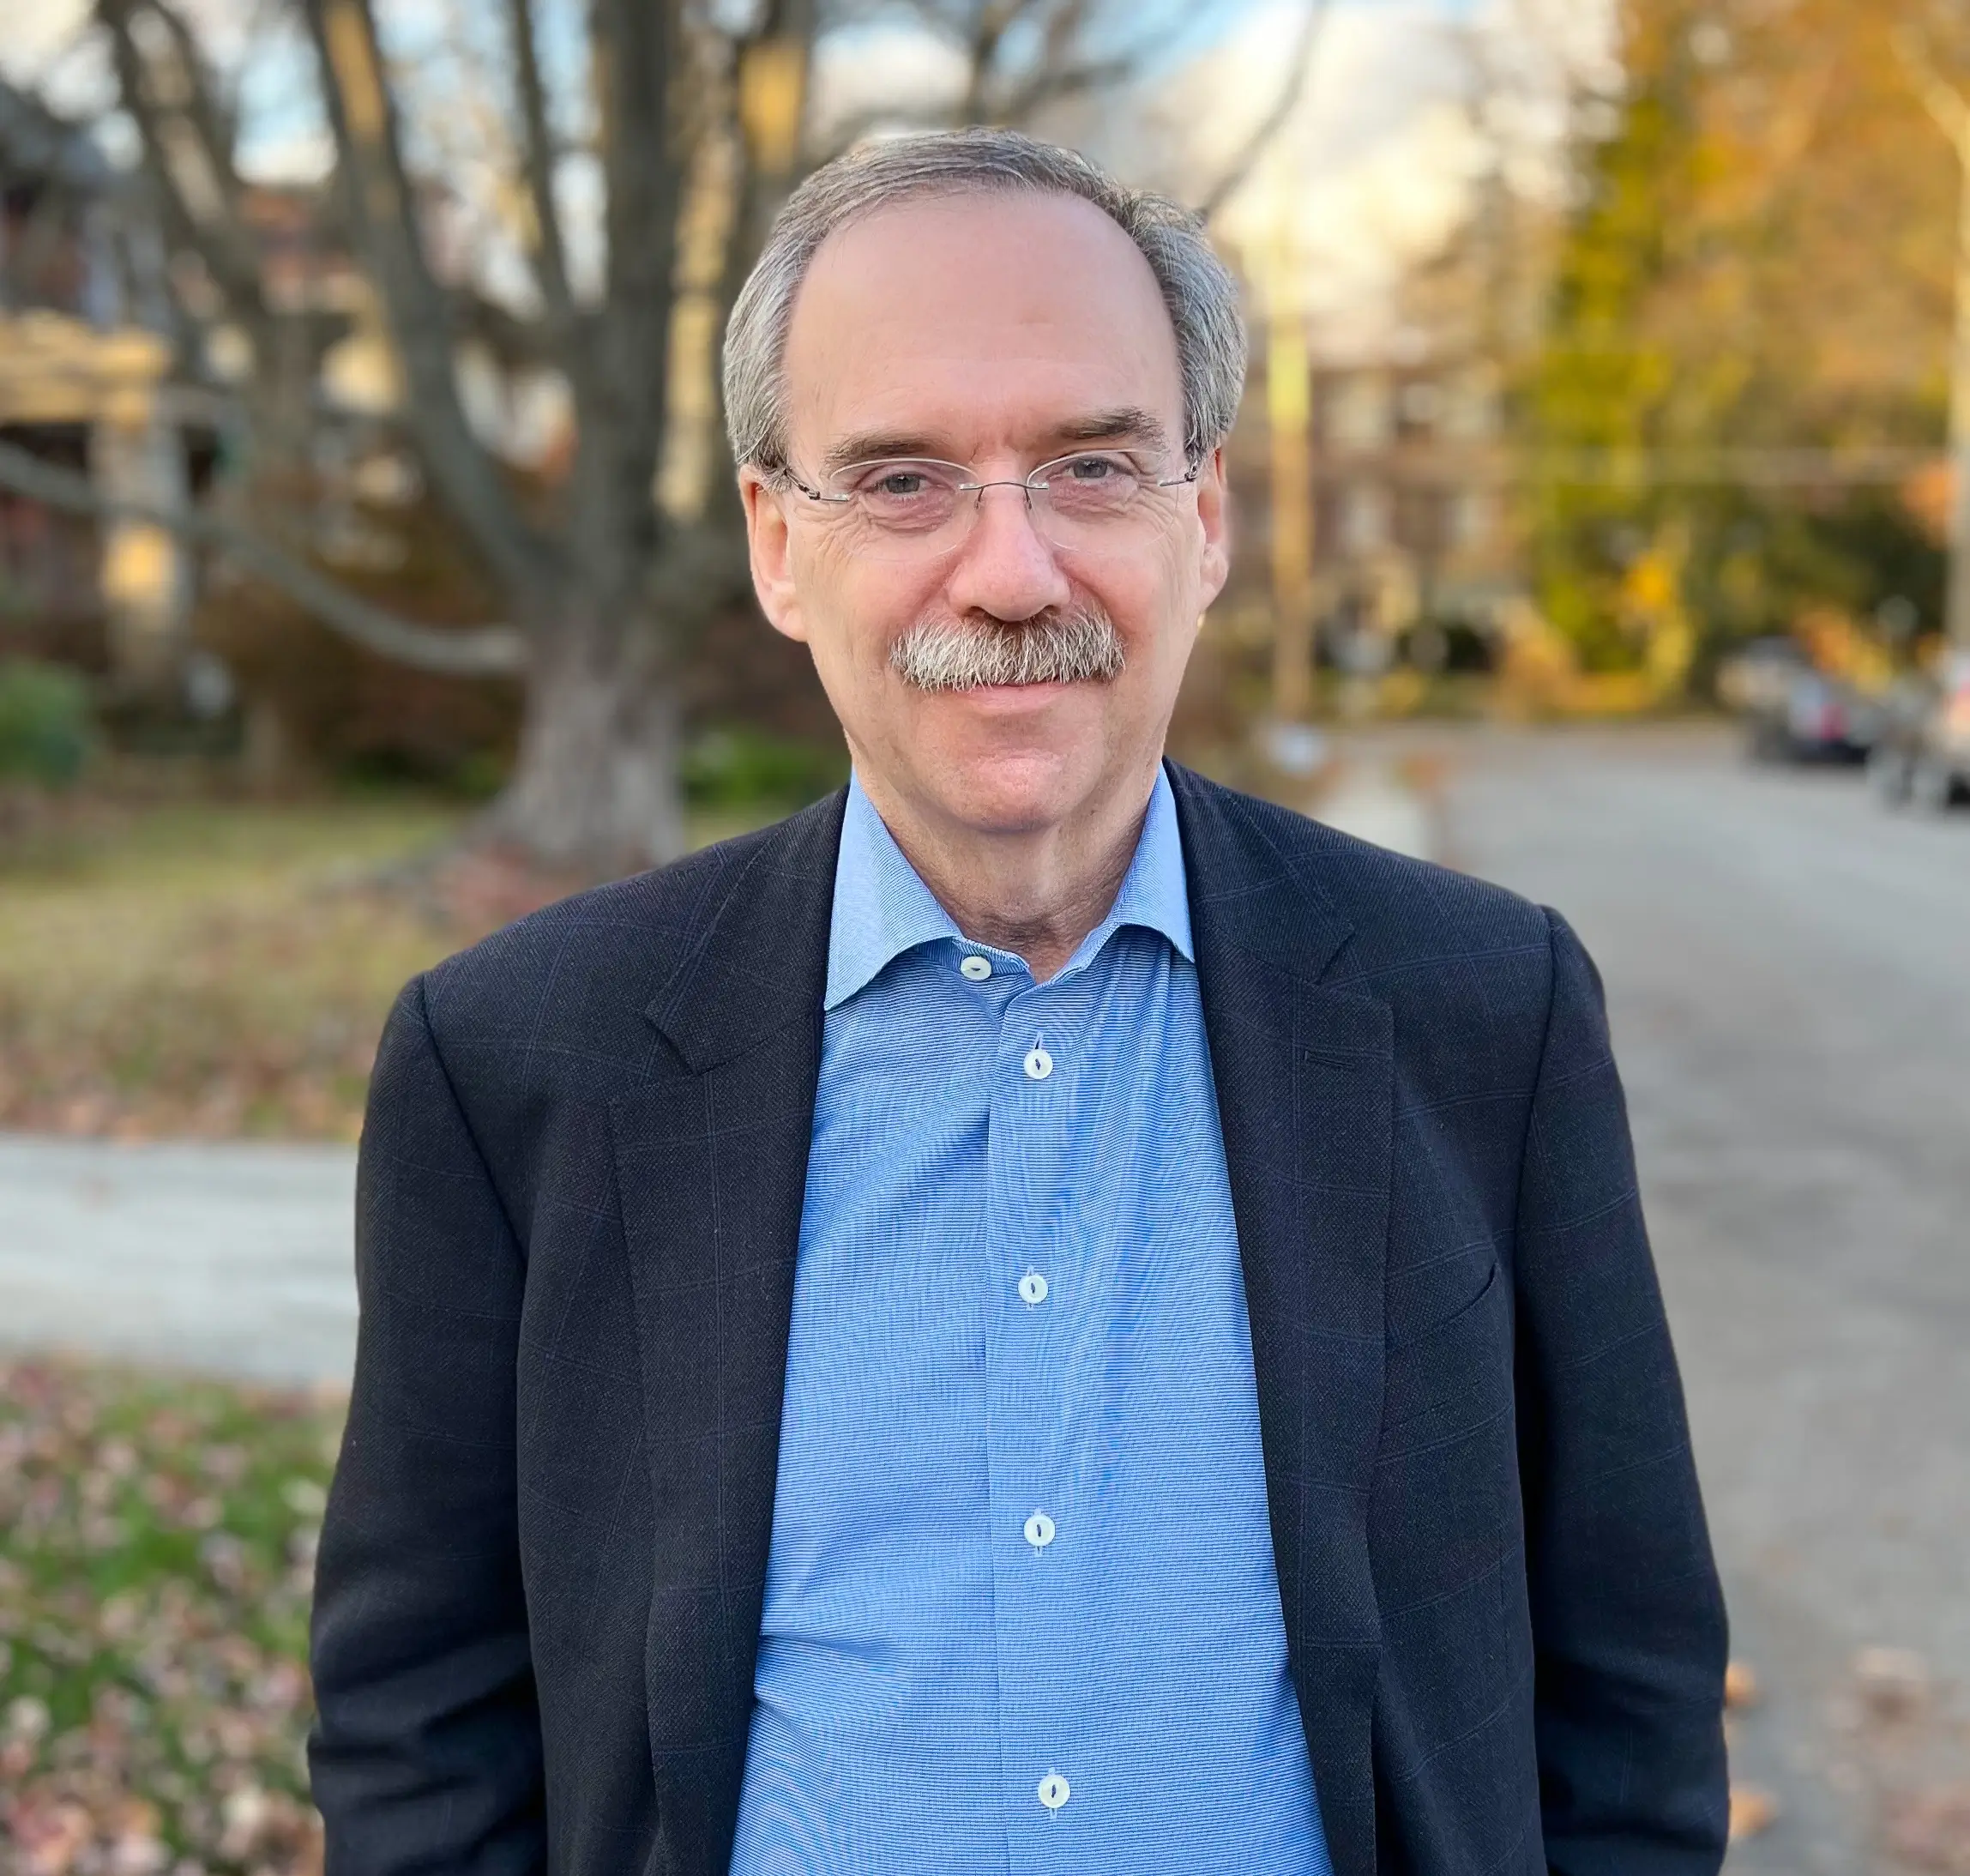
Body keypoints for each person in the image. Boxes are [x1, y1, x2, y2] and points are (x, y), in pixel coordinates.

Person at [309, 129, 1728, 1876]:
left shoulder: (1477, 1010)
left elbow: (1629, 1685)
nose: (1010, 571)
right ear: (774, 543)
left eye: (1089, 465)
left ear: (1200, 519)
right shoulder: (513, 1063)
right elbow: (418, 1717)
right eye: (900, 479)